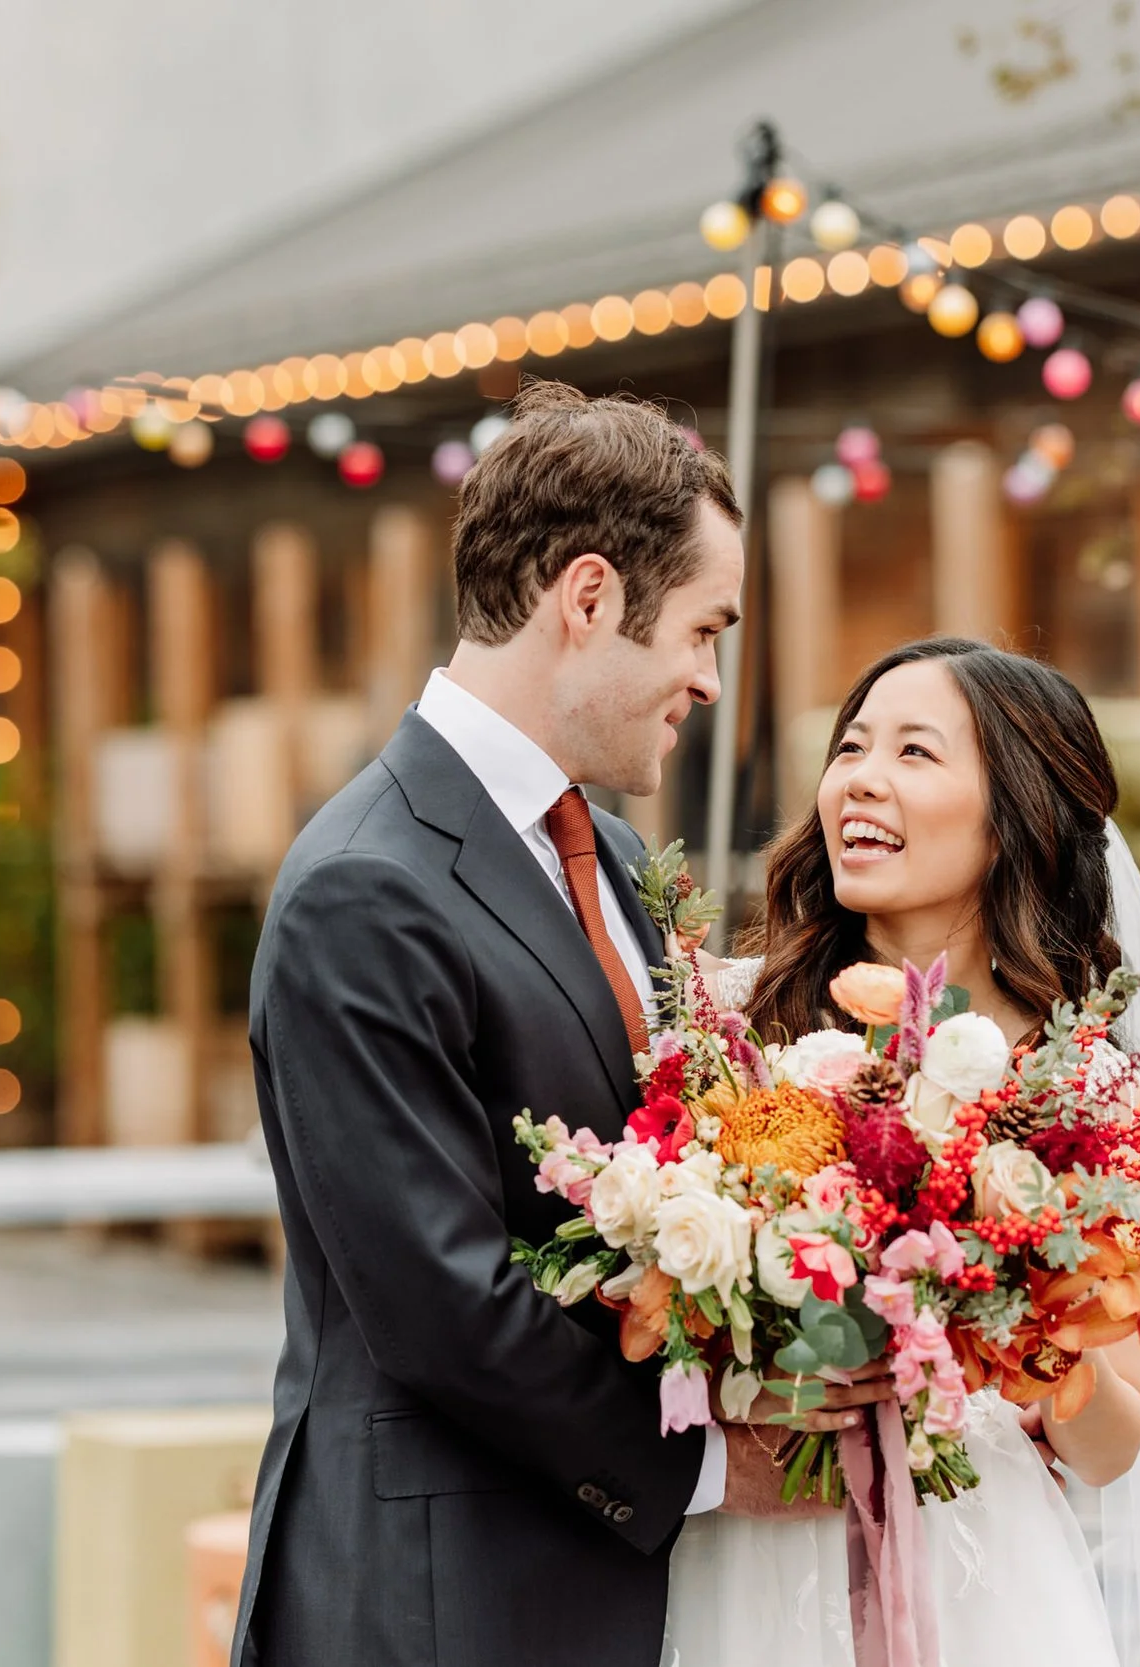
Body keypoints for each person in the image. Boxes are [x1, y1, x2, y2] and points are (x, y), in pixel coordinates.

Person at [231, 381, 885, 1667]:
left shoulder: (615, 854)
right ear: (586, 599)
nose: (707, 678)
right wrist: (706, 1468)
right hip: (439, 1594)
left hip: (584, 1586)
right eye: (704, 630)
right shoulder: (364, 887)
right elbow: (440, 1300)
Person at [665, 637, 1140, 1667]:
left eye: (915, 752)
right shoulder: (725, 1024)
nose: (860, 778)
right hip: (751, 1555)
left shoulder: (1075, 1089)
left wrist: (1024, 1311)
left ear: (1013, 816)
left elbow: (1111, 1447)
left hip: (981, 1576)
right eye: (852, 745)